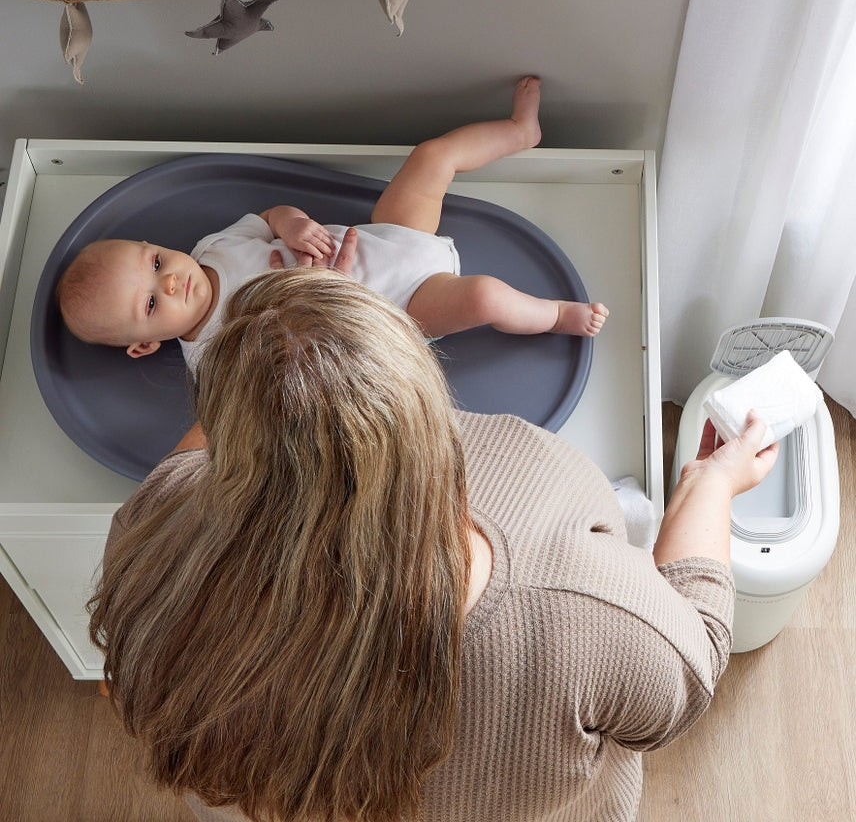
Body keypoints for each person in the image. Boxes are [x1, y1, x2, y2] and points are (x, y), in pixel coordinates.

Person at [88, 266, 778, 822]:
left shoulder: (155, 532)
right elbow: (694, 658)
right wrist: (708, 488)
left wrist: (282, 384)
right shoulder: (582, 604)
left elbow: (195, 465)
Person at [57, 76, 608, 374]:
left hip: (385, 237)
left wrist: (292, 226)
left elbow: (270, 217)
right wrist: (323, 298)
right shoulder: (213, 357)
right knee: (487, 297)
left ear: (158, 246)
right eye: (152, 303)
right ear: (144, 347)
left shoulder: (212, 247)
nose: (172, 281)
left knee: (432, 156)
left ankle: (519, 132)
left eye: (156, 264)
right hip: (399, 302)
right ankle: (556, 314)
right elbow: (297, 372)